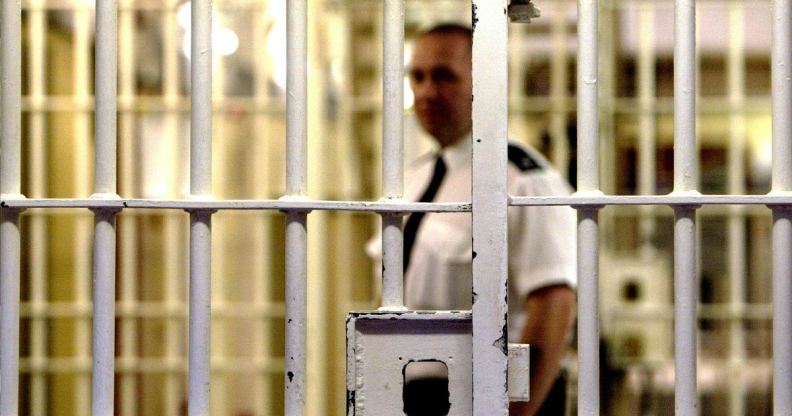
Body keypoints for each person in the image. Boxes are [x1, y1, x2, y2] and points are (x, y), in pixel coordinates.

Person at [367, 24, 577, 416]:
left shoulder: (522, 180)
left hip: (485, 393)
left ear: (485, 83)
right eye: (418, 77)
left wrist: (514, 409)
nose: (427, 91)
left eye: (444, 77)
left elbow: (553, 303)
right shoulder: (414, 179)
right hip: (411, 392)